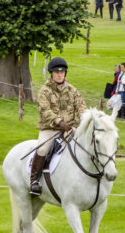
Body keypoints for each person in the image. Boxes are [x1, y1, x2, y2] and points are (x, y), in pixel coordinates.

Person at [30, 58, 87, 196]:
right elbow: (45, 111)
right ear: (51, 73)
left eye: (62, 72)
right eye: (57, 72)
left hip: (70, 128)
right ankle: (34, 181)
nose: (60, 74)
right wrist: (59, 122)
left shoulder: (72, 90)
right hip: (50, 128)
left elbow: (81, 106)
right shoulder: (45, 91)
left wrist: (85, 119)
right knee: (43, 148)